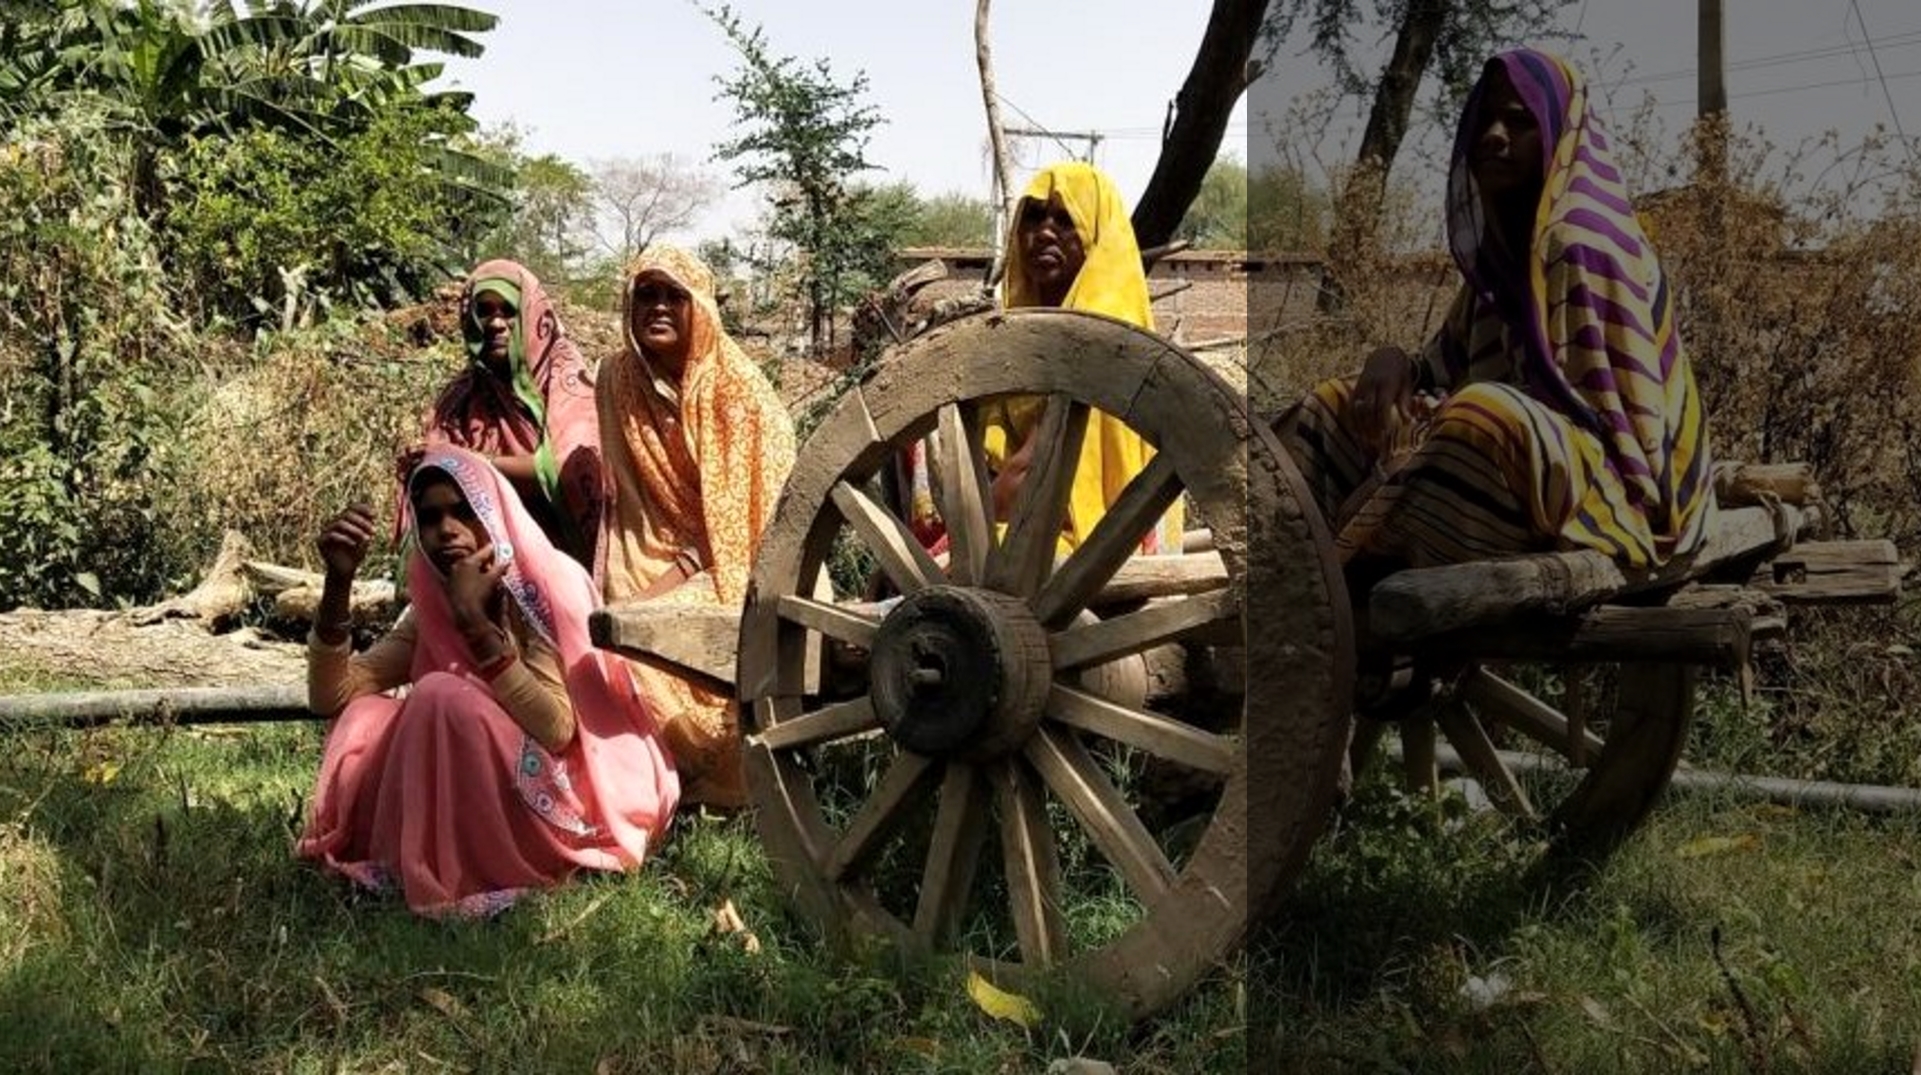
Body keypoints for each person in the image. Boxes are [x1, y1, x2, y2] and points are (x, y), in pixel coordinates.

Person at [1276, 48, 1713, 579]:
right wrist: (1391, 363)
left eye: (1519, 121)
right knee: (1330, 406)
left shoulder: (1580, 243)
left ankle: (1403, 554)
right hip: (1523, 462)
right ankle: (1325, 571)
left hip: (1618, 489)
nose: (1494, 135)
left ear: (1556, 133)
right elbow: (1445, 366)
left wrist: (1443, 421)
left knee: (1479, 416)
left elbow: (1615, 429)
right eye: (1484, 119)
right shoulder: (1505, 251)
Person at [296, 447, 678, 917]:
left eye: (463, 512)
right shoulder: (435, 603)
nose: (446, 530)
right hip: (487, 786)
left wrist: (478, 631)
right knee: (365, 715)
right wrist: (338, 584)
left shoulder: (547, 585)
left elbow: (558, 730)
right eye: (430, 518)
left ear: (493, 511)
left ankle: (476, 870)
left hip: (570, 796)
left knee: (440, 695)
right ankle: (410, 860)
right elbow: (331, 696)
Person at [596, 245, 797, 810]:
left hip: (740, 563)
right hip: (647, 548)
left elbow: (740, 529)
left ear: (700, 308)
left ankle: (703, 772)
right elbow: (624, 503)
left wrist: (656, 592)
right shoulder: (616, 378)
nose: (658, 307)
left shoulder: (735, 391)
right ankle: (638, 780)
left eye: (674, 296)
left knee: (639, 629)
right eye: (646, 294)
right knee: (607, 610)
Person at [900, 160, 1185, 556]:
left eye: (1066, 220)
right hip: (1026, 516)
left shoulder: (1097, 340)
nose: (1045, 232)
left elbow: (1034, 473)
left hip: (1085, 537)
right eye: (1033, 217)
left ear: (1096, 237)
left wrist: (945, 550)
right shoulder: (1018, 334)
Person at [404, 259, 603, 567]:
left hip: (568, 559)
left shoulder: (568, 383)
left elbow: (571, 472)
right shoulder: (460, 399)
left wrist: (468, 462)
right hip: (485, 562)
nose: (496, 323)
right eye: (484, 311)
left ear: (532, 316)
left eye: (508, 311)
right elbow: (435, 484)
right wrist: (423, 464)